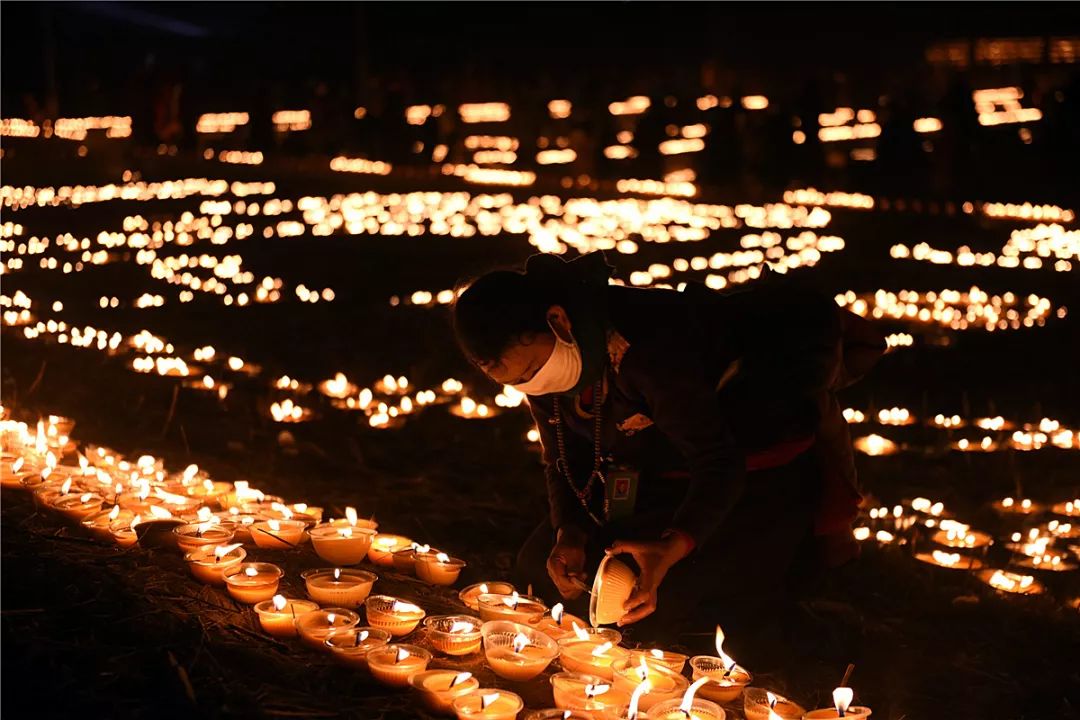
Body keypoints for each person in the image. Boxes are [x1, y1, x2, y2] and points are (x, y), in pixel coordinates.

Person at [450, 252, 883, 659]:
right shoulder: (550, 371)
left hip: (750, 487)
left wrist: (670, 547)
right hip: (650, 479)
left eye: (530, 373)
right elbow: (561, 459)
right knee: (541, 567)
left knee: (651, 607)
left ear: (558, 320)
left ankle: (804, 622)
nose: (533, 387)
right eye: (518, 383)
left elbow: (719, 462)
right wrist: (570, 533)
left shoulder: (648, 351)